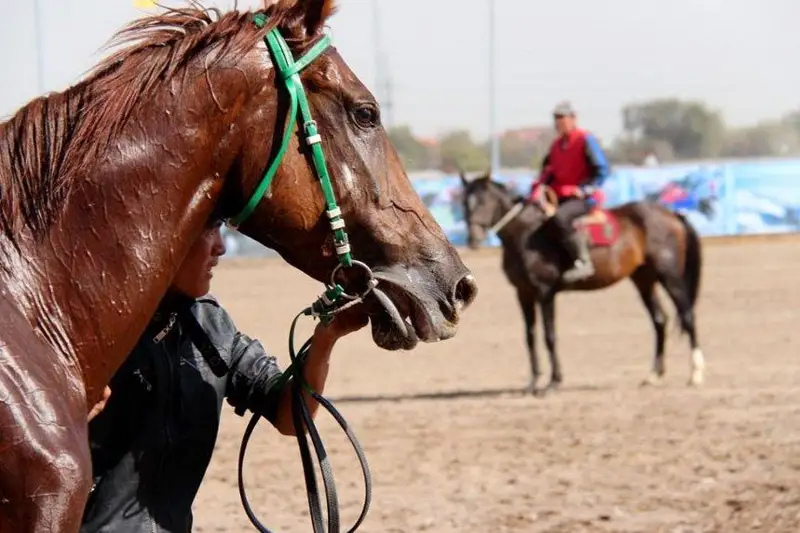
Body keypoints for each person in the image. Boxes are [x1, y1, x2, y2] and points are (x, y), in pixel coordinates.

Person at [80, 217, 366, 533]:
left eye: (220, 229)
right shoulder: (91, 320)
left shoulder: (210, 323)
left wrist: (324, 340)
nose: (221, 247)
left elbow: (290, 417)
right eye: (208, 228)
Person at [529, 101, 610, 282]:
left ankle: (583, 261)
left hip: (584, 198)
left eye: (562, 118)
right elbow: (547, 173)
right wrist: (538, 188)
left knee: (560, 218)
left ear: (573, 119)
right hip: (560, 197)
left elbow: (602, 170)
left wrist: (584, 190)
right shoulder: (556, 146)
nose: (558, 122)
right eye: (556, 118)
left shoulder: (585, 140)